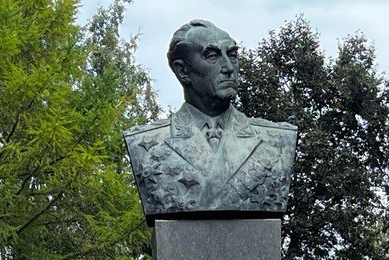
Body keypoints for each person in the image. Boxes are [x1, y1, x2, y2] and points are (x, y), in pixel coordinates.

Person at [123, 19, 298, 217]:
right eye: (213, 56)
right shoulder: (146, 144)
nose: (228, 67)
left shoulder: (278, 140)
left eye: (232, 55)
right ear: (182, 71)